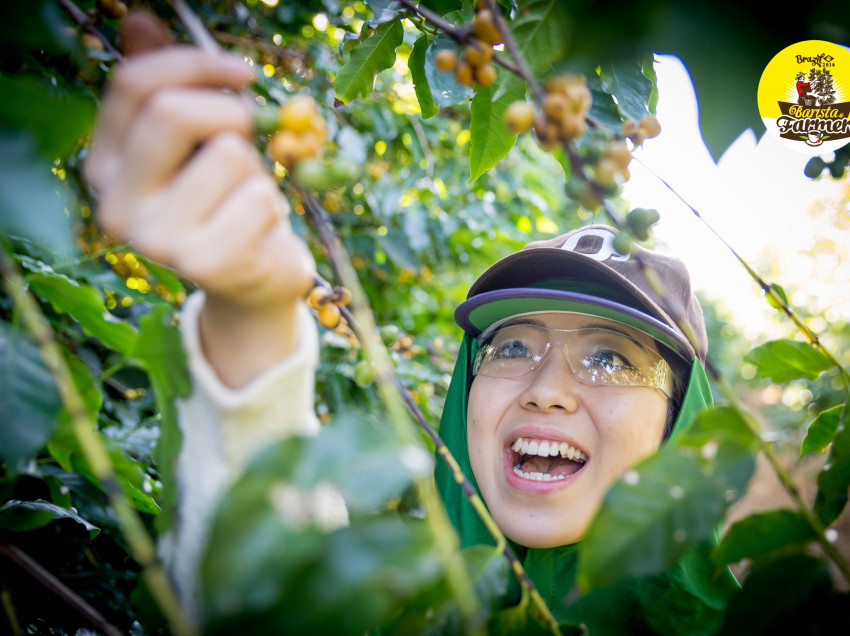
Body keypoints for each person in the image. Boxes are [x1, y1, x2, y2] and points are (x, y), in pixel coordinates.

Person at [85, 20, 737, 633]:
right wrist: (250, 314)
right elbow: (261, 593)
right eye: (512, 346)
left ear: (680, 424)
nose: (546, 389)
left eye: (610, 358)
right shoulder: (385, 601)